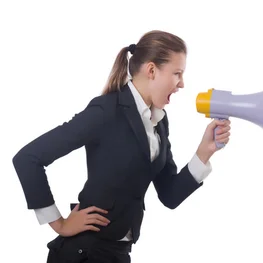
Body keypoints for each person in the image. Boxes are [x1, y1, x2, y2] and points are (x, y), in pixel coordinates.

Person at [12, 30, 231, 263]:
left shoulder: (159, 121)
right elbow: (28, 158)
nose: (182, 84)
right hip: (84, 253)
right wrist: (60, 224)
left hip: (118, 254)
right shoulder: (106, 111)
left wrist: (205, 152)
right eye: (177, 73)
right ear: (151, 70)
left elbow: (170, 195)